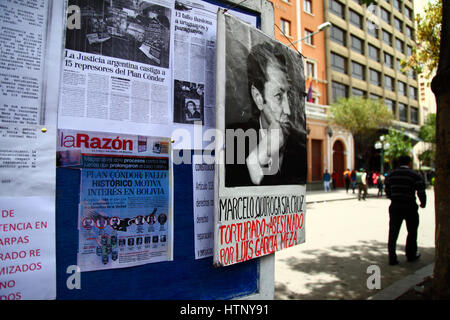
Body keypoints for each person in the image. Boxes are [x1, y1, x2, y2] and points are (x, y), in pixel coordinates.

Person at [225, 41, 306, 187]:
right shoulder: (235, 137)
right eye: (278, 96)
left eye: (290, 95)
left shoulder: (299, 144)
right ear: (258, 97)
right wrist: (256, 159)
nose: (288, 110)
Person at [384, 155, 426, 266]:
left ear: (398, 163)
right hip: (410, 206)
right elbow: (421, 190)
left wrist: (392, 196)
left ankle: (392, 258)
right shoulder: (414, 175)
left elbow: (387, 189)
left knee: (393, 232)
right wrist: (423, 203)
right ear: (409, 163)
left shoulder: (391, 175)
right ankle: (411, 254)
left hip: (395, 206)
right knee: (412, 231)